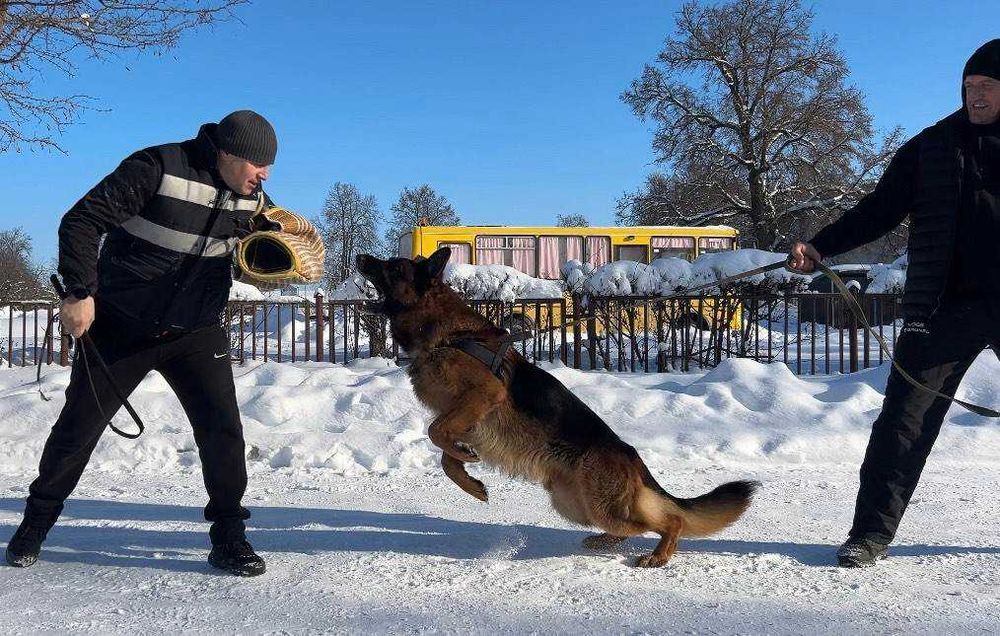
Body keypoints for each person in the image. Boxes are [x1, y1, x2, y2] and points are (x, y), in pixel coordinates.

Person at [5, 110, 280, 576]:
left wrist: (275, 256)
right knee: (78, 429)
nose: (265, 175)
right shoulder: (157, 166)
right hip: (120, 327)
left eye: (269, 168)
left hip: (195, 331)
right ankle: (34, 526)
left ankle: (229, 538)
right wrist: (79, 291)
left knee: (223, 433)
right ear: (228, 154)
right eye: (258, 165)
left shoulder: (253, 199)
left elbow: (253, 254)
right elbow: (82, 221)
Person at [788, 39, 1000, 567]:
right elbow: (879, 209)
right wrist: (821, 246)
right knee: (902, 421)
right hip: (942, 307)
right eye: (970, 87)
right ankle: (870, 535)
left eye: (988, 87)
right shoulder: (933, 147)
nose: (976, 96)